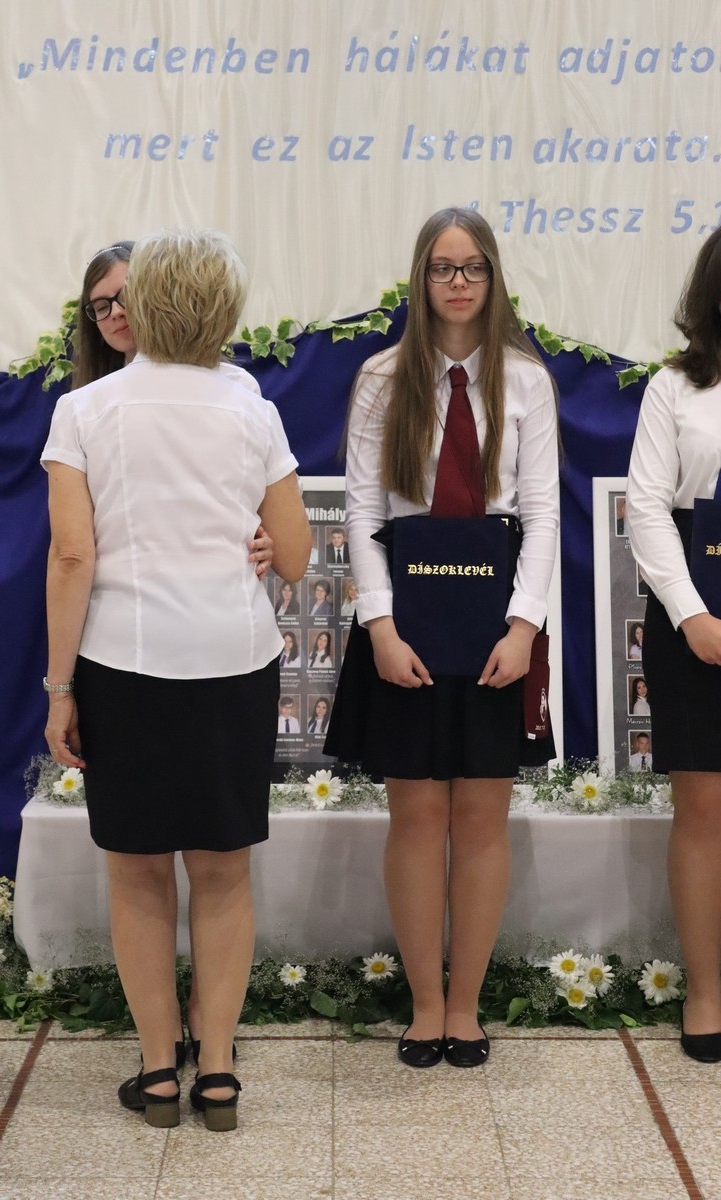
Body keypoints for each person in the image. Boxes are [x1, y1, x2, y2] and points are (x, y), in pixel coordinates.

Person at [42, 228, 311, 1128]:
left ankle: (160, 1069)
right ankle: (219, 1070)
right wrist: (262, 540)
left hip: (124, 664)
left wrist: (58, 688)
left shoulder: (86, 409)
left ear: (143, 303)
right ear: (225, 309)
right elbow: (296, 557)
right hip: (233, 661)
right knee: (224, 873)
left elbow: (72, 558)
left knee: (138, 875)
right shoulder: (252, 407)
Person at [325, 206, 559, 1070]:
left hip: (496, 625)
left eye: (473, 268)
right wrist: (380, 628)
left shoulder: (526, 381)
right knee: (418, 816)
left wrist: (525, 626)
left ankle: (467, 1007)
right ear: (420, 279)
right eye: (442, 268)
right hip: (407, 624)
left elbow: (542, 514)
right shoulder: (382, 378)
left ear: (493, 279)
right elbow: (362, 509)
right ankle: (426, 1005)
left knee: (483, 818)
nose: (458, 283)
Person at [626, 224, 721, 1063]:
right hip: (696, 611)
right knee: (704, 809)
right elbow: (648, 507)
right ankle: (706, 991)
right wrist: (693, 616)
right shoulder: (675, 387)